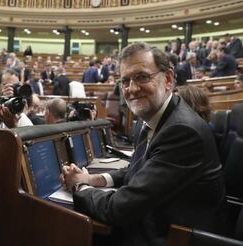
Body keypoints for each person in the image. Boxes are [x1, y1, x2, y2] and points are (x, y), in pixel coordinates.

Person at [61, 42, 227, 245]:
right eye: (125, 81)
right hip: (156, 221)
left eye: (142, 77)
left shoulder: (183, 131)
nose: (132, 89)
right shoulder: (149, 119)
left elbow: (119, 209)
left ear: (167, 79)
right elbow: (139, 171)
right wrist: (93, 179)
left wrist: (79, 186)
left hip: (173, 236)